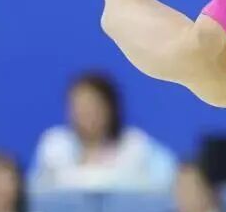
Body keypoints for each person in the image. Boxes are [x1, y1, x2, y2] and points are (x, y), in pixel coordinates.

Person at [32, 71, 176, 191]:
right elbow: (36, 193)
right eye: (79, 107)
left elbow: (167, 184)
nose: (86, 114)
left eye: (92, 106)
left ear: (110, 107)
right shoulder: (53, 146)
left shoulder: (135, 145)